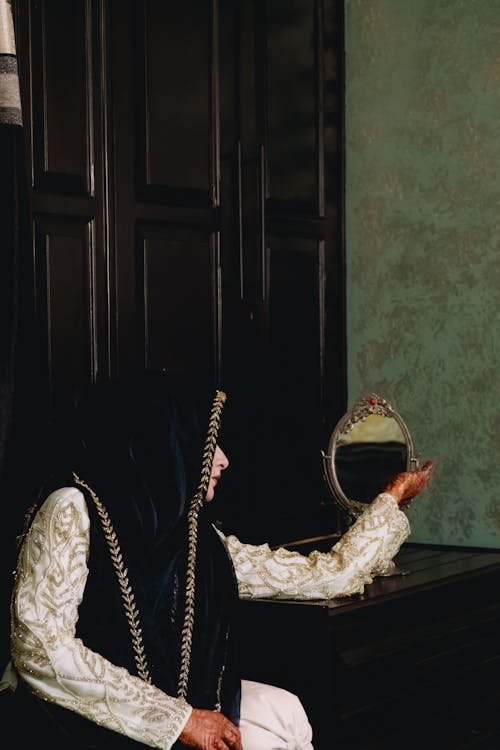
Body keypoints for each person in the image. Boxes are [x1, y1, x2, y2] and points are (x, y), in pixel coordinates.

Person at [1, 372, 433, 749]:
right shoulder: (73, 508)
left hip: (172, 705)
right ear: (164, 442)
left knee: (286, 718)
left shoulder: (195, 537)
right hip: (71, 721)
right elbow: (40, 648)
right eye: (206, 441)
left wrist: (391, 499)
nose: (222, 458)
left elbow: (325, 577)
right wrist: (179, 720)